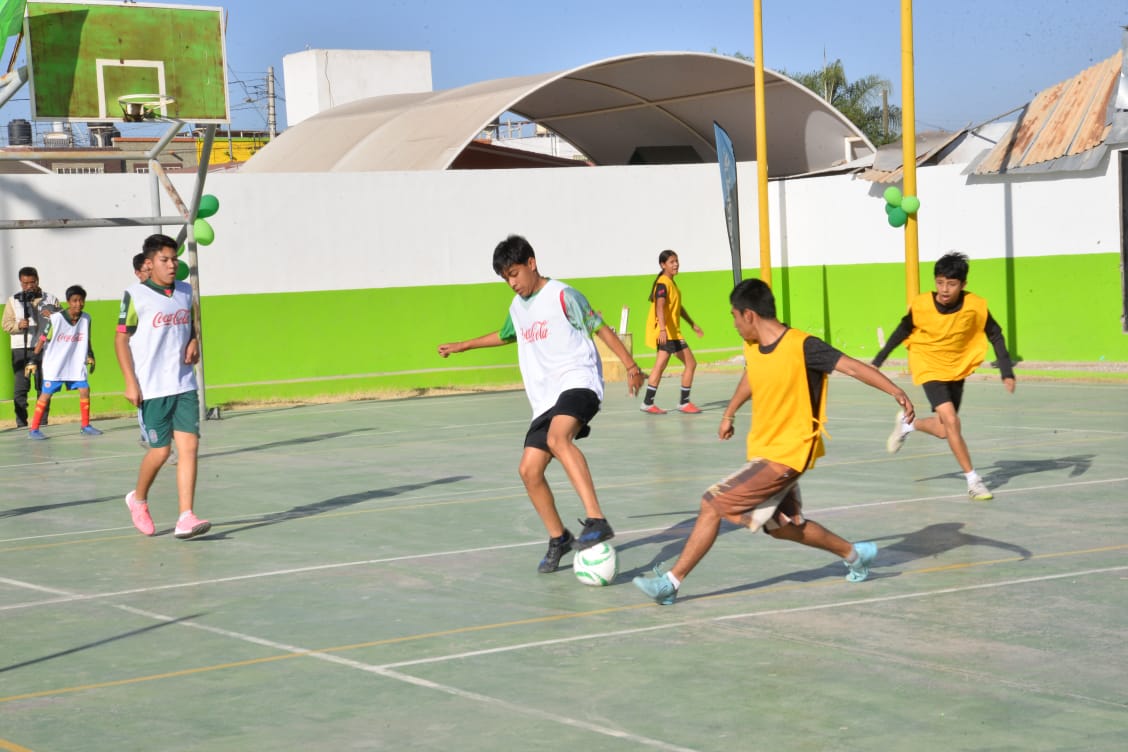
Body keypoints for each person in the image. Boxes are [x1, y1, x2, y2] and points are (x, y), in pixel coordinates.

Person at [633, 278, 915, 605]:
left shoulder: (802, 346)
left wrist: (896, 391)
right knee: (781, 526)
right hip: (765, 451)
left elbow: (851, 367)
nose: (735, 324)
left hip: (789, 453)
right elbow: (752, 374)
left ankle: (670, 583)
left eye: (734, 317)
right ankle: (854, 555)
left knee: (712, 503)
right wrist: (730, 411)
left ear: (748, 315)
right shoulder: (754, 347)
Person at [438, 234, 646, 573]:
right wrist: (464, 345)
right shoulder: (517, 309)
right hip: (546, 398)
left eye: (515, 273)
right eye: (506, 278)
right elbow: (506, 334)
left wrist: (631, 366)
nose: (512, 283)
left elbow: (600, 328)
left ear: (531, 263)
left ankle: (596, 519)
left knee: (557, 438)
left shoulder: (563, 295)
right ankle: (558, 538)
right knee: (528, 470)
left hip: (580, 382)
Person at [872, 252, 1015, 501]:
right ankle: (974, 481)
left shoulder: (975, 305)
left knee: (943, 429)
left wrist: (1006, 370)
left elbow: (995, 333)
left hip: (956, 367)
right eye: (940, 282)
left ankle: (909, 424)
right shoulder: (922, 305)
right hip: (928, 364)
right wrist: (879, 360)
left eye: (951, 284)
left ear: (963, 285)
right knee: (951, 420)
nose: (945, 289)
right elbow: (902, 330)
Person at [115, 234, 209, 540]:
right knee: (160, 450)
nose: (172, 265)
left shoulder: (185, 291)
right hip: (152, 387)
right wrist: (131, 382)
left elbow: (193, 325)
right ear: (149, 263)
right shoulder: (134, 295)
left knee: (189, 448)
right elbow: (120, 340)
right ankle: (138, 499)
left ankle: (186, 516)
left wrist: (195, 340)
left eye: (174, 259)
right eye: (165, 260)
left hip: (183, 383)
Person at [27, 285, 102, 439]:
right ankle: (34, 429)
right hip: (55, 364)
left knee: (84, 390)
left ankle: (85, 425)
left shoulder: (86, 318)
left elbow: (87, 338)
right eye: (74, 300)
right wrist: (33, 360)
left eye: (81, 300)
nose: (78, 304)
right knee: (45, 395)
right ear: (68, 301)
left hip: (75, 363)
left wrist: (90, 354)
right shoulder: (56, 319)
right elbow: (42, 339)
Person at [639, 249, 704, 414]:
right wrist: (662, 330)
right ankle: (681, 402)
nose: (676, 264)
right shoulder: (662, 283)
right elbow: (659, 306)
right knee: (686, 364)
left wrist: (692, 323)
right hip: (667, 333)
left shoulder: (671, 283)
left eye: (676, 261)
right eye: (671, 262)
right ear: (663, 265)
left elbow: (677, 307)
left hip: (672, 332)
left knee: (665, 365)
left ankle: (649, 403)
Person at [2, 267, 59, 428]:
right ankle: (21, 424)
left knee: (43, 387)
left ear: (38, 280)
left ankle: (42, 422)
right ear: (20, 282)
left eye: (31, 282)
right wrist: (18, 325)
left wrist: (53, 315)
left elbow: (62, 320)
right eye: (25, 283)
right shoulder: (13, 300)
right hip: (21, 349)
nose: (28, 286)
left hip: (43, 348)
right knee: (21, 389)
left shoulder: (50, 298)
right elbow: (5, 325)